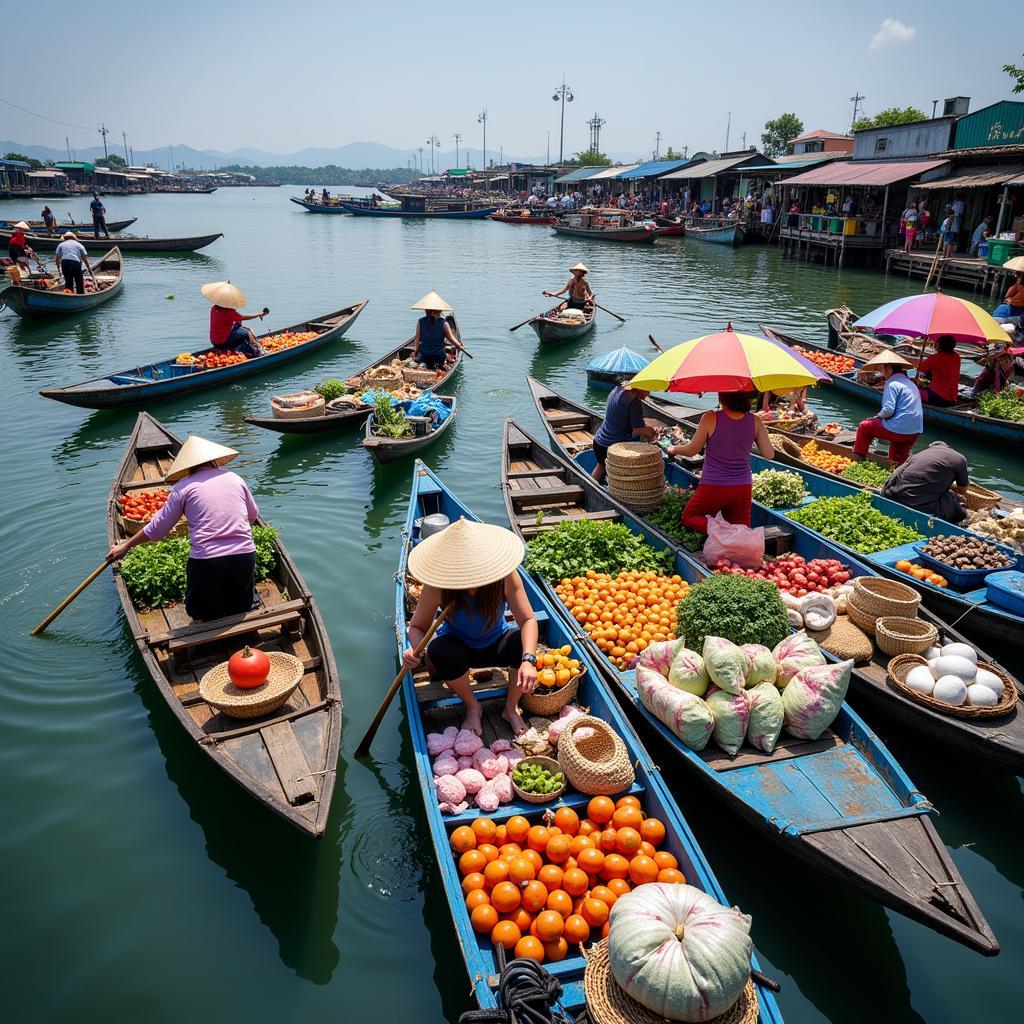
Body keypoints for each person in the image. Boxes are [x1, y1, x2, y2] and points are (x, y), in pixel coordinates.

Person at [402, 518, 538, 735]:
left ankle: (511, 708)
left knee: (520, 644)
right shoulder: (439, 584)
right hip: (459, 648)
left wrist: (529, 660)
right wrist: (417, 650)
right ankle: (473, 706)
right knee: (439, 650)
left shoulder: (505, 576)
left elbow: (528, 620)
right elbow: (417, 627)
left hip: (496, 641)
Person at [106, 436, 261, 622]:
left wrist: (126, 545)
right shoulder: (235, 478)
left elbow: (158, 529)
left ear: (187, 468)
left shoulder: (183, 487)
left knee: (200, 613)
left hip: (206, 562)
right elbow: (252, 515)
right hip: (244, 556)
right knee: (239, 606)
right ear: (214, 461)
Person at [666, 391, 775, 532]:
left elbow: (692, 450)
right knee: (741, 530)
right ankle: (731, 538)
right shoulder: (755, 421)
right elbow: (769, 454)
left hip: (714, 484)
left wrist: (673, 449)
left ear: (722, 397)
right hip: (742, 486)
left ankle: (723, 532)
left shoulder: (710, 418)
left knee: (689, 516)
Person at [851, 350, 923, 465]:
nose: (880, 372)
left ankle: (856, 462)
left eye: (882, 369)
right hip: (915, 430)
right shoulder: (910, 383)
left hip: (899, 428)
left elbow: (888, 410)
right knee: (897, 458)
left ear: (889, 369)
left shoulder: (892, 383)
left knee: (864, 426)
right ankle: (897, 473)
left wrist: (876, 417)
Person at [881, 441, 969, 524]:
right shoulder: (960, 459)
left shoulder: (917, 455)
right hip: (920, 506)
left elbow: (895, 473)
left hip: (891, 495)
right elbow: (962, 490)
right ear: (948, 447)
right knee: (955, 506)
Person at [591, 383, 657, 483]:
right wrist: (652, 432)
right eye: (646, 390)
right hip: (615, 448)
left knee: (600, 467)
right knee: (623, 479)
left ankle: (591, 486)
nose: (648, 393)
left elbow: (622, 417)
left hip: (599, 441)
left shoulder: (616, 389)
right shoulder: (634, 401)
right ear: (638, 388)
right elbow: (638, 430)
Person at [201, 280, 268, 358]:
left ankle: (235, 348)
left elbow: (236, 322)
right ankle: (258, 351)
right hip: (223, 342)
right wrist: (259, 314)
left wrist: (245, 327)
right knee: (246, 333)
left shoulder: (214, 308)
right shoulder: (229, 312)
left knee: (242, 328)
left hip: (214, 341)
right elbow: (243, 317)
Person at [411, 291, 466, 370]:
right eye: (438, 312)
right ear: (435, 312)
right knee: (443, 356)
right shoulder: (445, 324)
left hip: (423, 356)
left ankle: (422, 363)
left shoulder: (420, 322)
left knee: (420, 356)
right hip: (438, 357)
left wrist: (415, 352)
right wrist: (460, 346)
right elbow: (451, 339)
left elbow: (416, 340)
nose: (438, 313)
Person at [914, 334, 961, 407]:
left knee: (911, 391)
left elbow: (919, 368)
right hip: (952, 397)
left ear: (938, 344)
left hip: (938, 397)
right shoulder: (957, 356)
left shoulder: (935, 358)